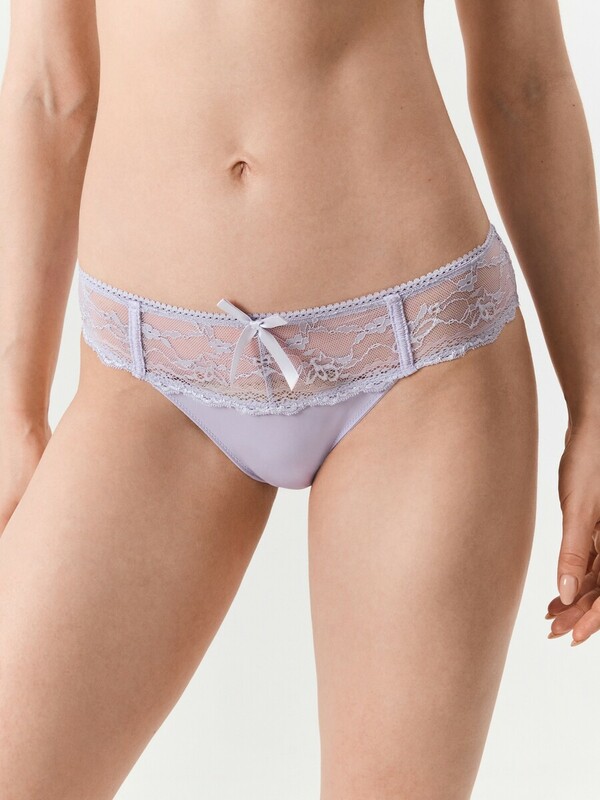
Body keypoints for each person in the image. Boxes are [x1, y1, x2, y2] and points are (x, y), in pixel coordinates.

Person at [0, 0, 597, 797]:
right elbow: (48, 86)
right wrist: (15, 409)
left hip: (419, 364)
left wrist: (595, 402)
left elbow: (525, 80)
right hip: (146, 376)